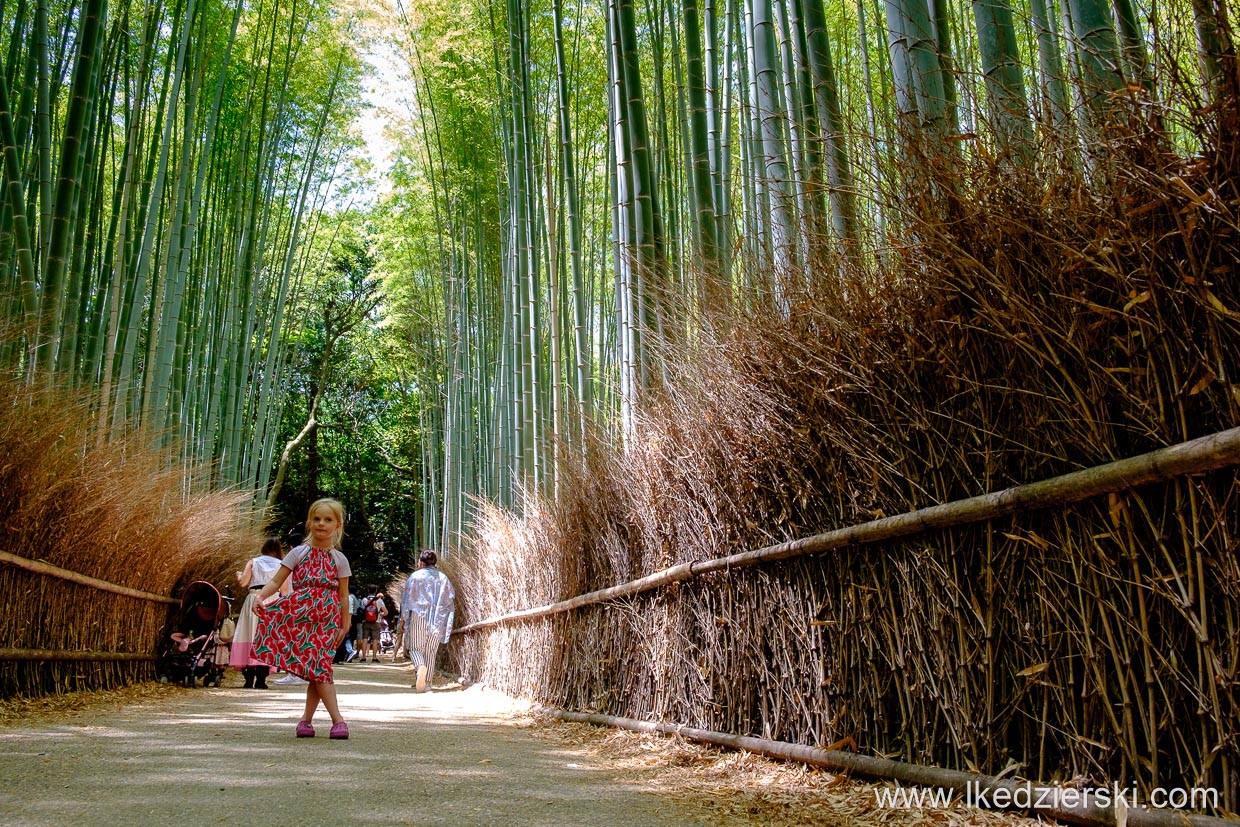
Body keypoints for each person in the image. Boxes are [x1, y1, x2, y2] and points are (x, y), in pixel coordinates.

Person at [253, 498, 352, 740]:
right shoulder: (299, 552)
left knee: (319, 668)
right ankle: (328, 720)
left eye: (328, 520)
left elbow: (343, 595)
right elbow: (277, 581)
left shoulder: (339, 559)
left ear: (337, 525)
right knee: (318, 669)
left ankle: (317, 721)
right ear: (309, 523)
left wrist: (345, 623)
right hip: (300, 617)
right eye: (317, 519)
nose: (321, 524)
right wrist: (260, 597)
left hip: (326, 619)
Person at [230, 537, 283, 689]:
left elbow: (243, 582)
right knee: (267, 638)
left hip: (253, 598)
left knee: (248, 635)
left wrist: (239, 575)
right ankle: (261, 679)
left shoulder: (253, 561)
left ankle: (248, 679)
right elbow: (284, 590)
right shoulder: (281, 565)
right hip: (272, 601)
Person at [400, 550, 455, 692]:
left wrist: (403, 618)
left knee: (415, 649)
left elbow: (406, 600)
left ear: (421, 562)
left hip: (418, 615)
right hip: (438, 618)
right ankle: (428, 684)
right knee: (431, 651)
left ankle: (419, 668)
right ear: (435, 562)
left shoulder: (414, 577)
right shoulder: (443, 578)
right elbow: (450, 599)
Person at [357, 587, 388, 663]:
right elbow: (386, 612)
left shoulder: (364, 600)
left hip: (365, 622)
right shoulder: (379, 600)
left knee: (365, 639)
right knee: (375, 640)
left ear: (368, 590)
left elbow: (361, 610)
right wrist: (380, 614)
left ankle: (363, 657)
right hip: (376, 622)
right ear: (375, 591)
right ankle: (374, 657)